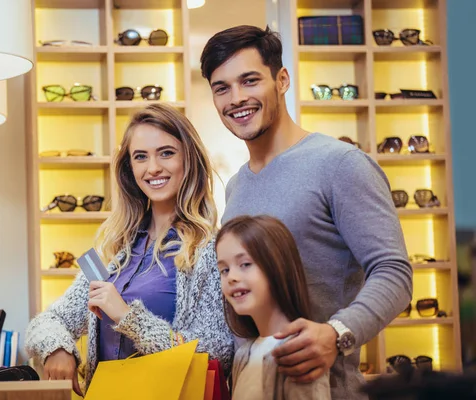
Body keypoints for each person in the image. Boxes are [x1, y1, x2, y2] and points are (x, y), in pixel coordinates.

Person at [200, 25, 412, 399]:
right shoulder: (236, 186)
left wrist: (336, 333)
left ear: (282, 80)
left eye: (250, 81)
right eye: (222, 88)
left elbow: (394, 272)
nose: (236, 98)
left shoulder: (341, 164)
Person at [24, 103, 234, 395]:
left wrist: (128, 318)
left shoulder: (210, 250)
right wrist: (57, 348)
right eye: (140, 157)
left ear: (189, 159)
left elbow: (218, 350)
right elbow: (45, 322)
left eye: (167, 153)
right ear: (129, 168)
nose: (153, 168)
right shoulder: (114, 253)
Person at [216, 214, 331, 400]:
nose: (231, 277)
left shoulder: (299, 353)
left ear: (277, 266)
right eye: (224, 270)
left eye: (245, 264)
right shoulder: (243, 355)